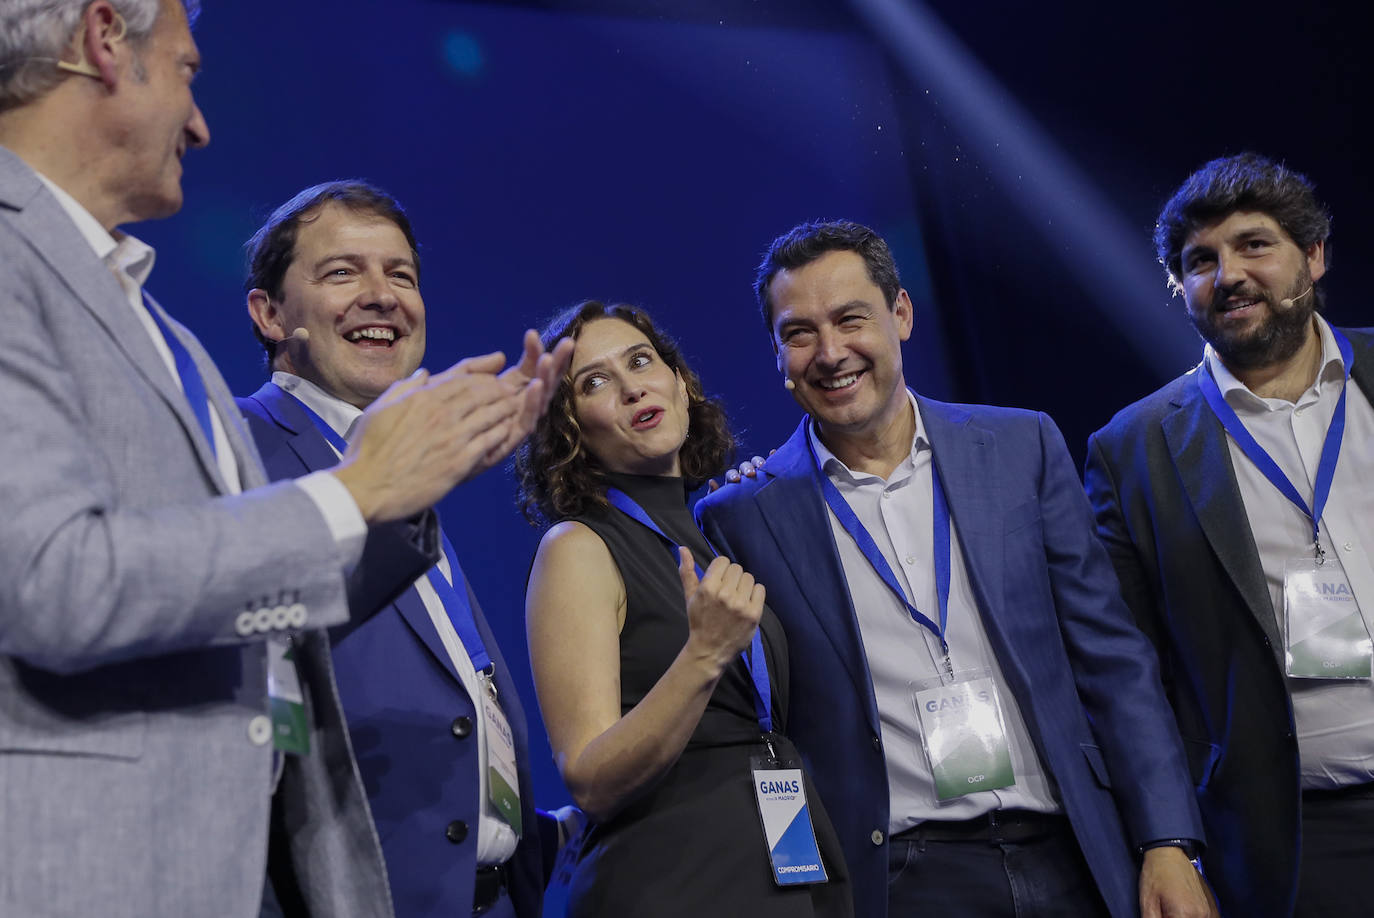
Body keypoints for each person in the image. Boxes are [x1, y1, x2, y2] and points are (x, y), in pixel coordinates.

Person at [0, 3, 566, 915]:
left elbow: (250, 619)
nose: (200, 123)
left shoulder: (155, 326)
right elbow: (52, 582)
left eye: (401, 274)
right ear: (105, 40)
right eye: (186, 71)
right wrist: (357, 493)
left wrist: (401, 495)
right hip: (89, 868)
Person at [694, 220, 1214, 918]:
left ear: (900, 314)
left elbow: (1112, 660)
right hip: (907, 877)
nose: (830, 353)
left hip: (1076, 852)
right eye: (798, 333)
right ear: (777, 355)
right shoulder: (741, 515)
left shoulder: (1019, 445)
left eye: (851, 319)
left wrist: (1168, 840)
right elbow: (764, 737)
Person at [238, 180, 572, 918]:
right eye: (342, 272)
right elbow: (246, 643)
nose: (383, 295)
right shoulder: (235, 448)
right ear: (269, 314)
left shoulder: (410, 457)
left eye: (401, 275)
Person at [1084, 153, 1374, 917]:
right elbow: (1129, 670)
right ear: (1181, 288)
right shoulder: (1133, 449)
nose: (1230, 274)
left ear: (1312, 256)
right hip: (1298, 840)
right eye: (1200, 261)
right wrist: (1166, 839)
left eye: (1254, 245)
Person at [516, 300, 853, 918]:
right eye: (594, 382)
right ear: (568, 428)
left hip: (778, 862)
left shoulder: (713, 533)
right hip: (672, 883)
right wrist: (703, 655)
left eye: (641, 361)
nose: (631, 386)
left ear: (679, 382)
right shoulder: (577, 548)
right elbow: (588, 777)